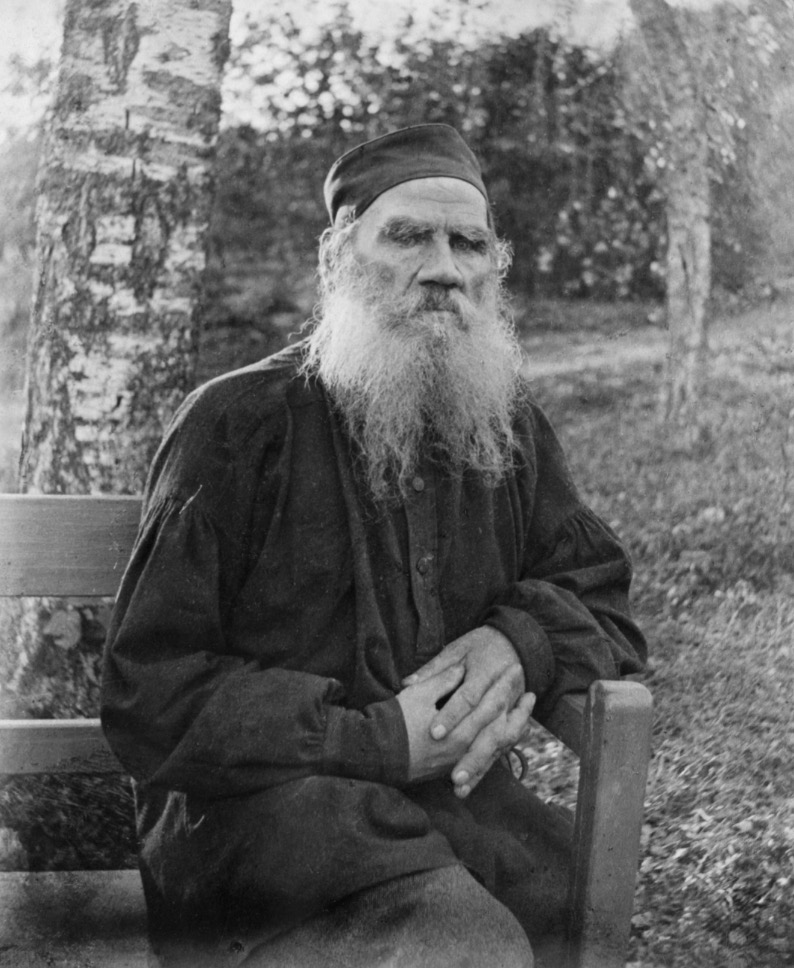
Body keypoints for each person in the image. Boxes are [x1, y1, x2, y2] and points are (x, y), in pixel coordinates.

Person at [101, 124, 646, 968]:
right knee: (468, 949)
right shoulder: (237, 426)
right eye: (409, 237)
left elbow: (598, 590)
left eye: (468, 244)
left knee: (556, 915)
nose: (444, 268)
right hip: (267, 827)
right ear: (338, 258)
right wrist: (376, 739)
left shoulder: (508, 427)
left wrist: (520, 641)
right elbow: (150, 693)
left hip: (449, 813)